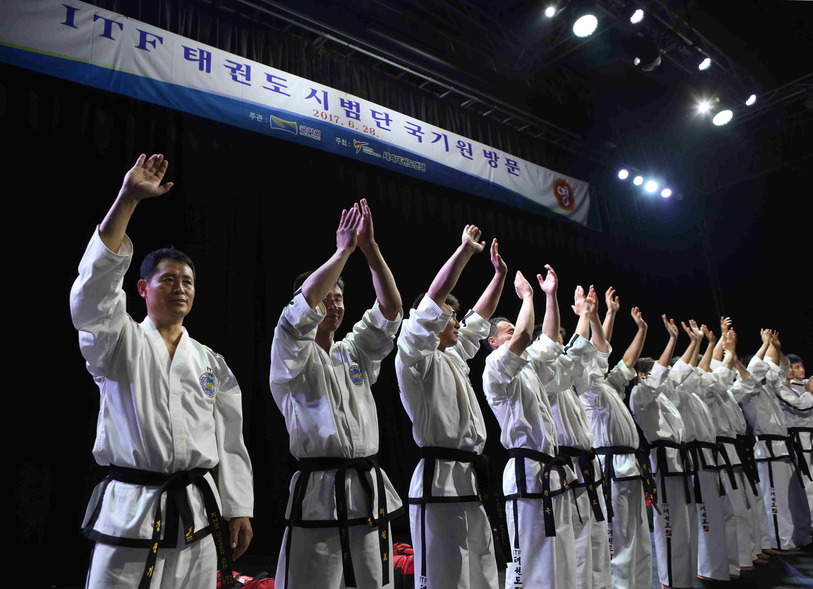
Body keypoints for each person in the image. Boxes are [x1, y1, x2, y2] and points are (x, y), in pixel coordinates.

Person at [70, 154, 254, 589]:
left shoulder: (212, 362)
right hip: (133, 512)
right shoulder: (118, 341)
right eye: (168, 279)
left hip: (197, 513)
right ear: (143, 288)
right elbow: (93, 294)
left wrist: (238, 505)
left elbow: (229, 440)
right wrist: (128, 200)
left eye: (188, 281)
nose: (181, 288)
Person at [269, 199, 404, 589]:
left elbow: (391, 310)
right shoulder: (290, 349)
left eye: (340, 297)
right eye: (327, 296)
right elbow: (299, 314)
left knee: (374, 582)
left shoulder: (353, 349)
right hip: (318, 489)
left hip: (366, 487)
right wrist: (342, 251)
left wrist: (370, 250)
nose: (334, 303)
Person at [396, 225, 507, 589]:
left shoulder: (454, 355)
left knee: (483, 566)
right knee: (446, 573)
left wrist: (500, 275)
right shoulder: (415, 357)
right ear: (429, 320)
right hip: (439, 477)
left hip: (470, 475)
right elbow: (433, 301)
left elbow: (479, 319)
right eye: (449, 314)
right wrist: (463, 252)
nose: (457, 321)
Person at [482, 267, 578, 589]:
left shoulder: (528, 369)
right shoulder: (495, 368)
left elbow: (548, 340)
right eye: (506, 331)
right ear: (492, 341)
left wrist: (550, 296)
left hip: (547, 468)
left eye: (513, 329)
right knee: (531, 553)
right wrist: (527, 296)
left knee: (557, 552)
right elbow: (524, 335)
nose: (516, 333)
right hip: (525, 469)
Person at [578, 295, 649, 589]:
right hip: (610, 467)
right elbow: (599, 350)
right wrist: (595, 317)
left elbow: (628, 360)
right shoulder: (587, 387)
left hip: (629, 464)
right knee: (617, 537)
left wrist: (640, 329)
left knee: (638, 535)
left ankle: (640, 584)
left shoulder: (608, 385)